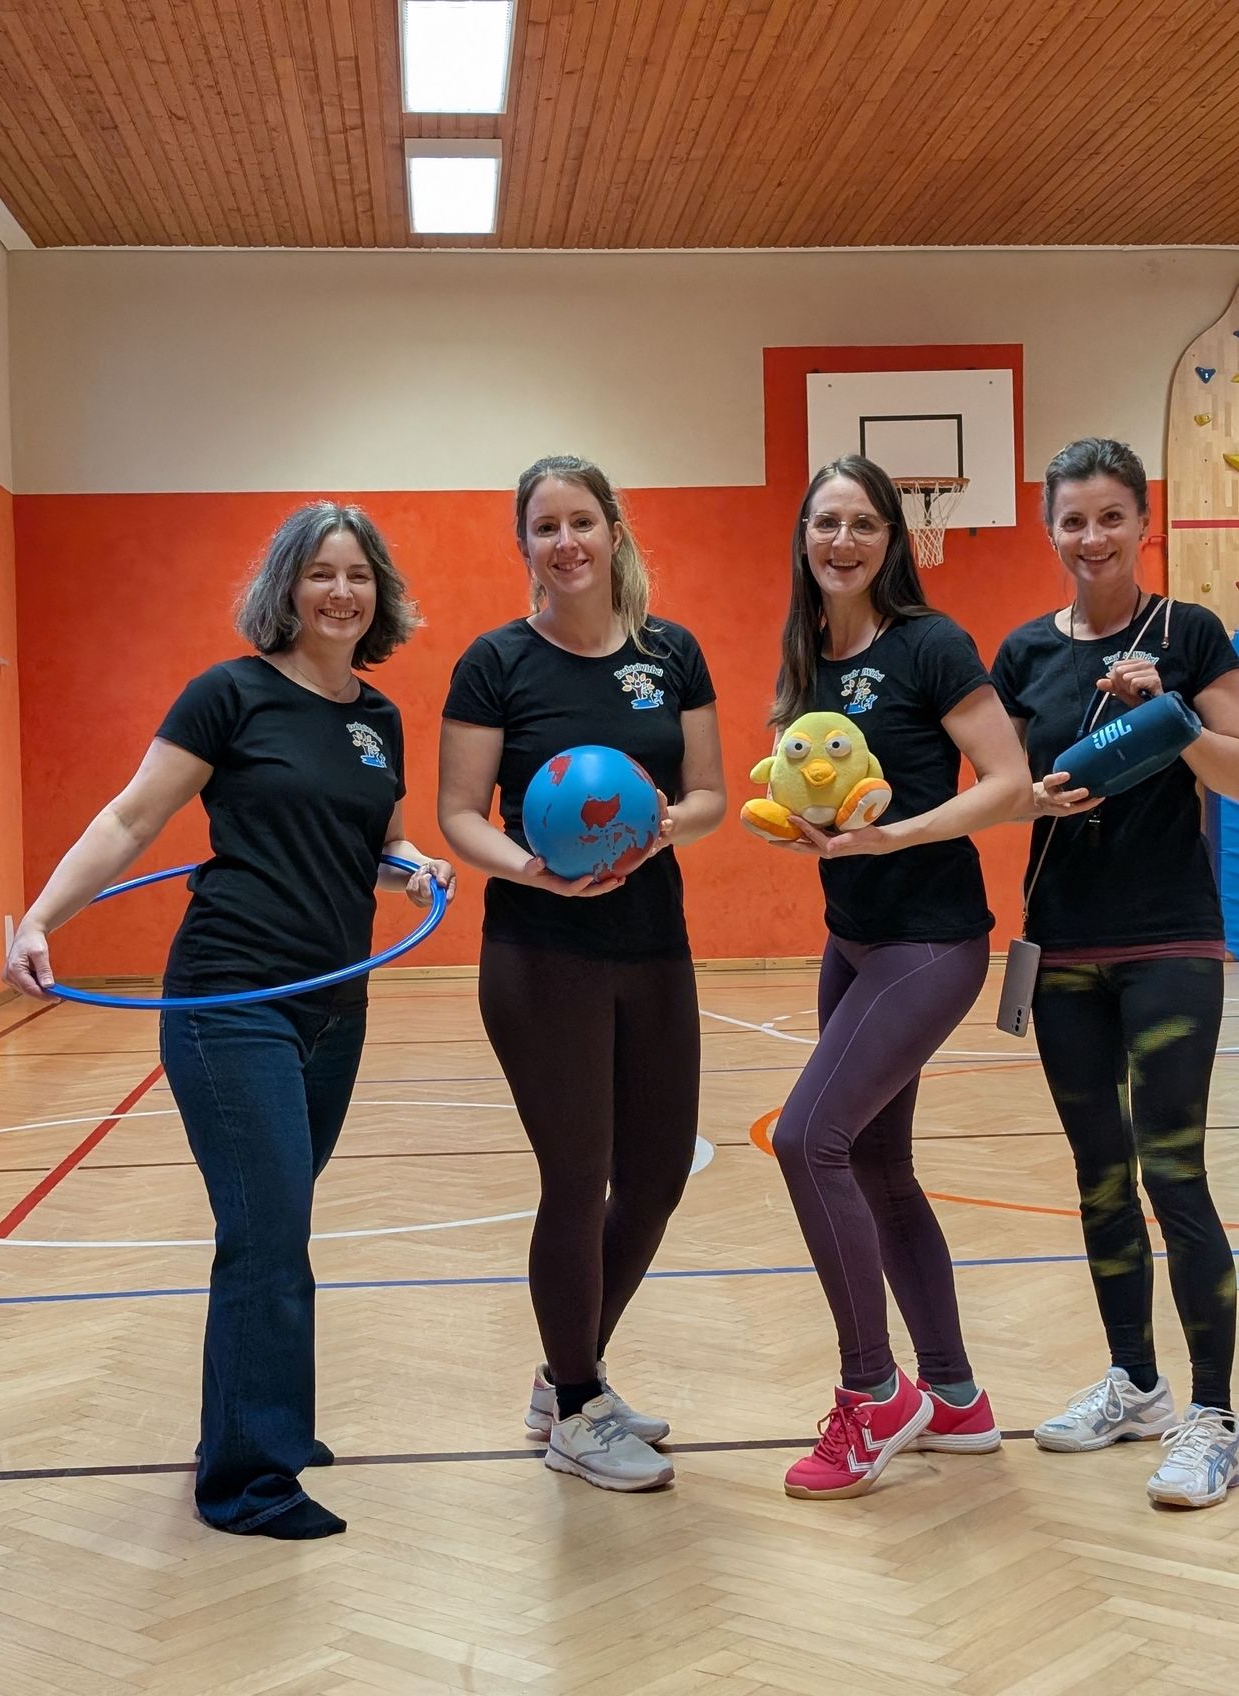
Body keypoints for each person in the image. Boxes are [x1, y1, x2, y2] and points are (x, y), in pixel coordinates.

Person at [3, 502, 455, 1539]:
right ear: (287, 589)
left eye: (358, 576)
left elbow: (380, 839)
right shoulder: (230, 695)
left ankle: (257, 1423)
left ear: (377, 594)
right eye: (321, 574)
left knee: (273, 1225)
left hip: (336, 1004)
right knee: (269, 1234)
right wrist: (38, 918)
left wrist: (414, 863)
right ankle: (249, 1479)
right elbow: (130, 817)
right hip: (229, 999)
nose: (341, 592)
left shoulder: (375, 717)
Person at [438, 454, 726, 1493]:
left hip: (653, 939)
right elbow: (460, 810)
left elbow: (708, 795)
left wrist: (652, 837)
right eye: (545, 527)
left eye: (582, 523)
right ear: (527, 547)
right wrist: (534, 868)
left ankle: (569, 1375)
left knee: (653, 1177)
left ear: (615, 533)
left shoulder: (672, 652)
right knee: (575, 1176)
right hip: (538, 947)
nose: (566, 543)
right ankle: (574, 1406)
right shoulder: (496, 662)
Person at [766, 454, 1031, 1501]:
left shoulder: (931, 643)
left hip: (932, 942)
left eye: (862, 524)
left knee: (804, 1138)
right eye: (826, 522)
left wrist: (898, 839)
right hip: (854, 938)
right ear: (805, 535)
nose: (842, 541)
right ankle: (955, 1397)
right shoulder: (805, 654)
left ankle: (875, 1394)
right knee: (878, 1167)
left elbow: (1007, 782)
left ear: (892, 540)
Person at [991, 437, 1239, 1509]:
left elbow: (1238, 771)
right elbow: (1000, 792)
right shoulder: (1019, 654)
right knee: (1100, 1175)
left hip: (1171, 939)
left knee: (1172, 1171)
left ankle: (1217, 1411)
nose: (1090, 538)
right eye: (1072, 520)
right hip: (1061, 947)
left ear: (1144, 523)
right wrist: (1036, 796)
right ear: (1051, 529)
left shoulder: (1189, 632)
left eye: (1110, 518)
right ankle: (1135, 1382)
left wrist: (1170, 713)